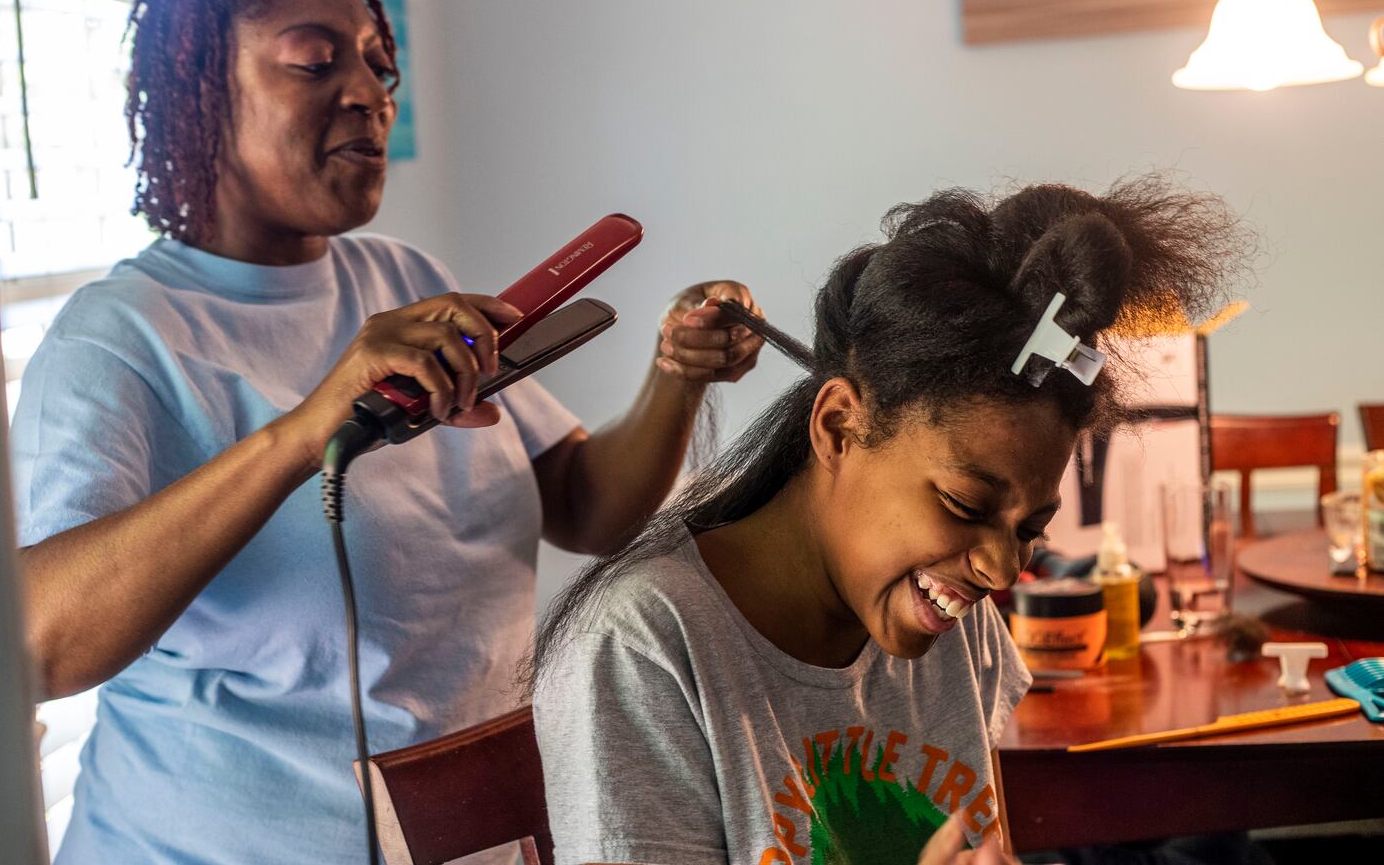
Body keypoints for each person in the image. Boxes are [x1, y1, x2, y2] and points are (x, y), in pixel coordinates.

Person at [11, 0, 764, 865]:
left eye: (380, 65)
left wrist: (678, 375)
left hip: (472, 837)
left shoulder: (402, 278)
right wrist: (307, 431)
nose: (370, 92)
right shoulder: (120, 337)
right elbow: (42, 646)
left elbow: (586, 505)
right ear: (198, 90)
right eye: (315, 61)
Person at [531, 180, 1248, 865]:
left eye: (1029, 530)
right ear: (838, 426)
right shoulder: (644, 647)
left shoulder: (946, 616)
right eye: (965, 506)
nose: (1001, 569)